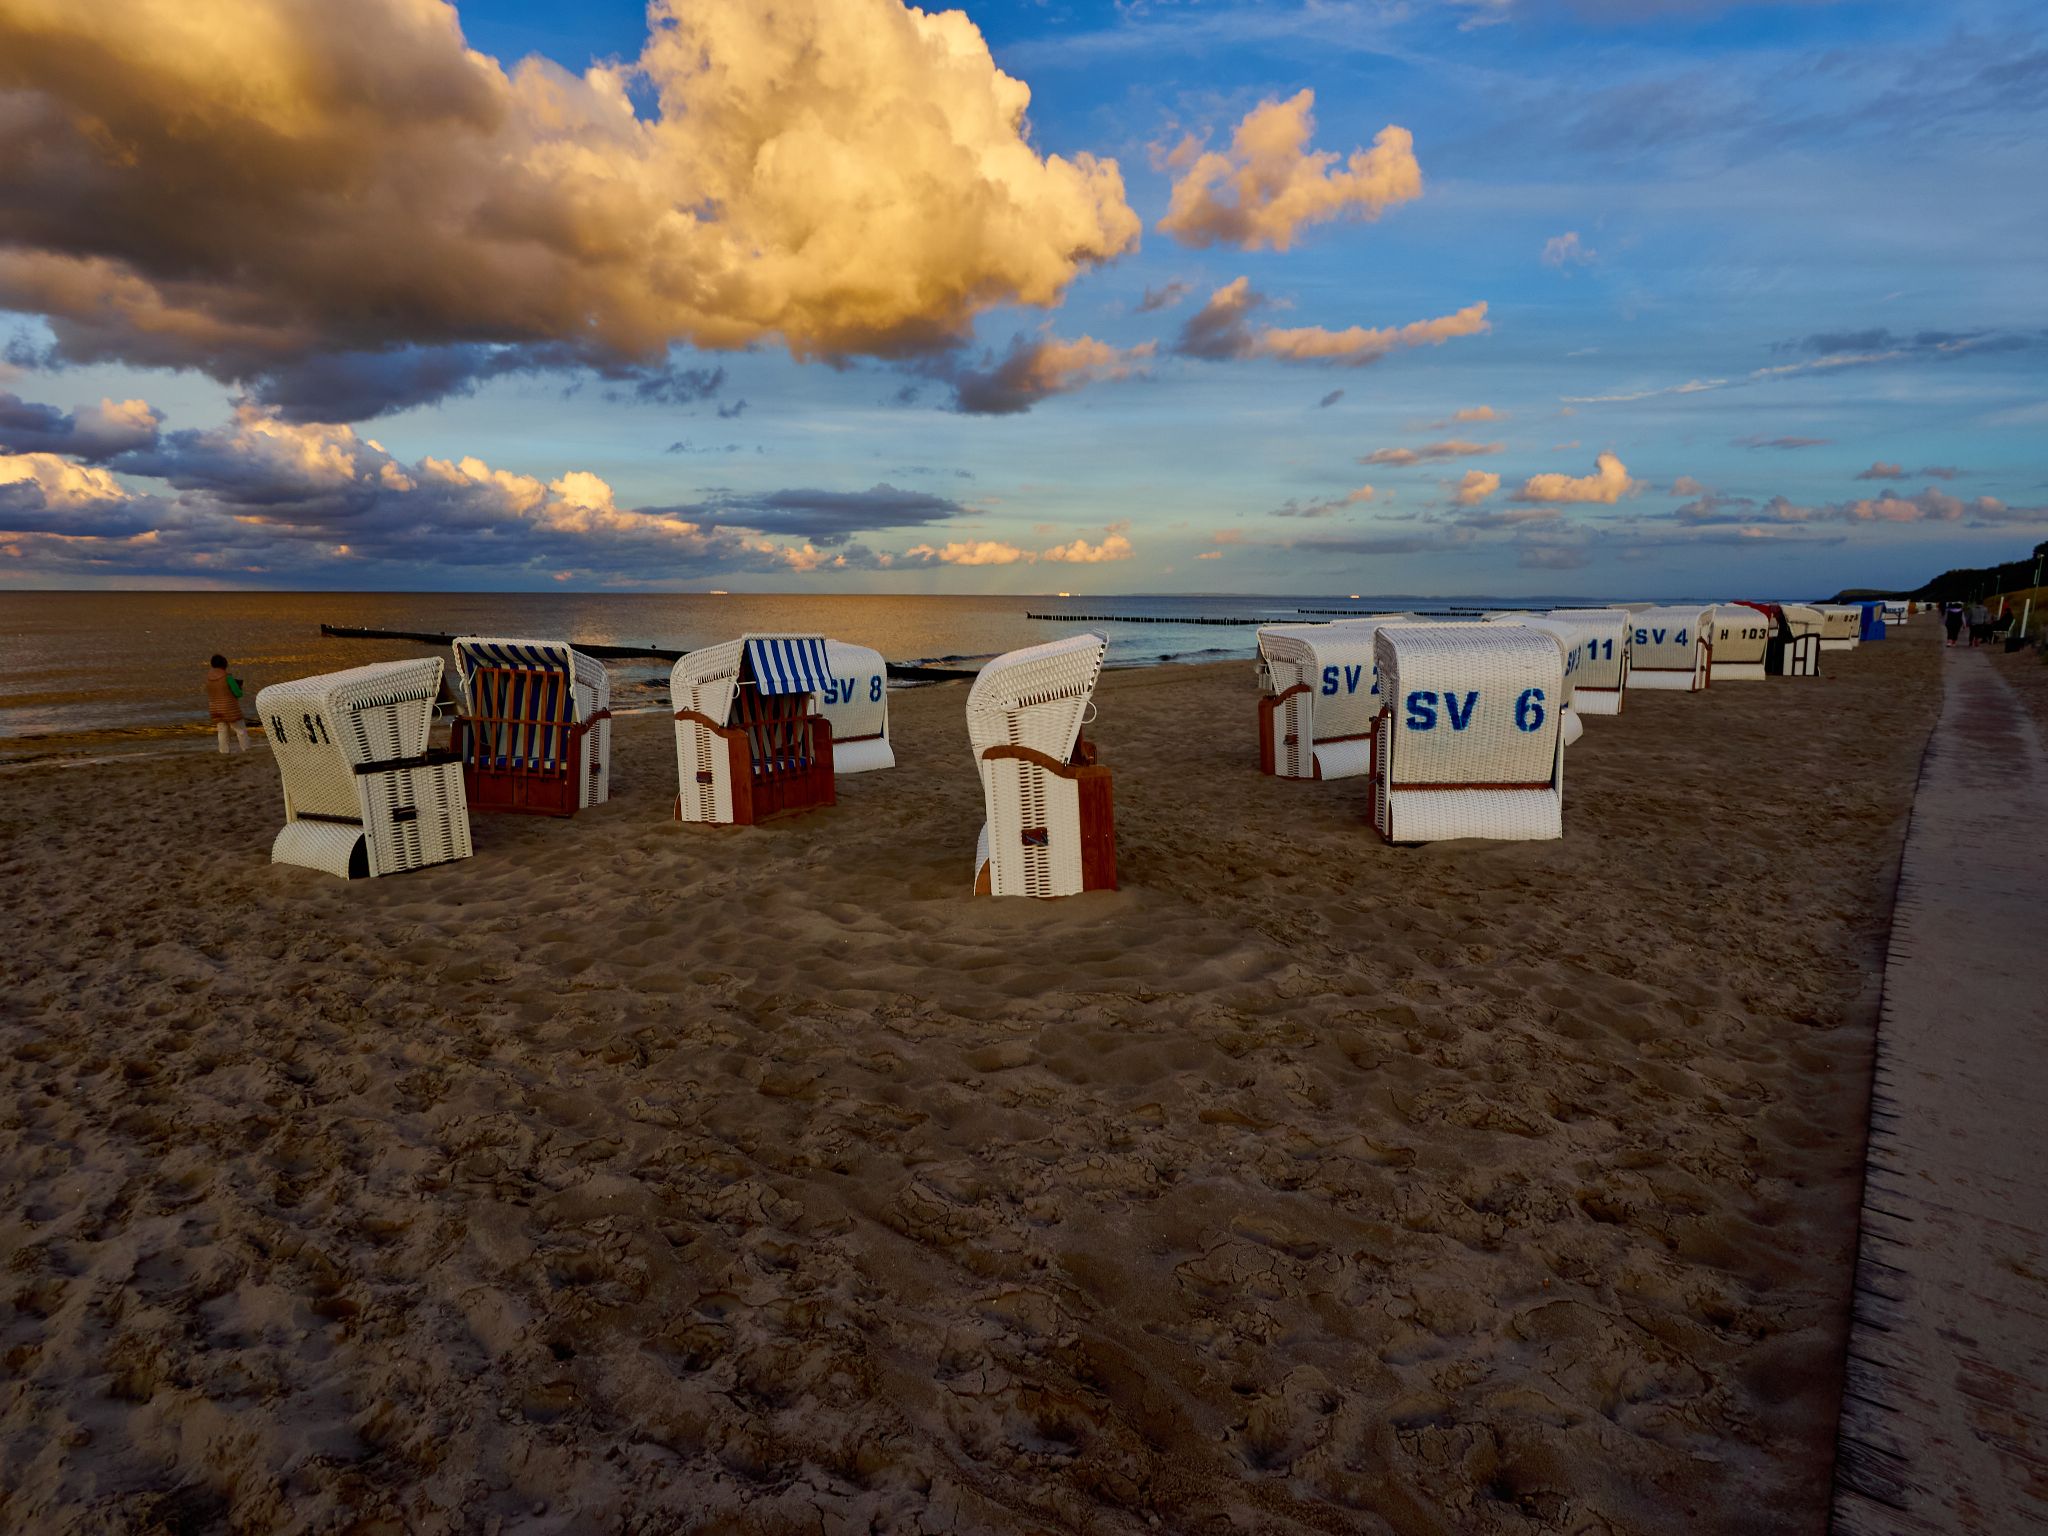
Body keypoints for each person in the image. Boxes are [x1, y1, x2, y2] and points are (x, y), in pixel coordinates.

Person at [206, 653, 251, 753]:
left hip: (215, 709)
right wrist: (239, 687)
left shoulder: (208, 679)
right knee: (240, 730)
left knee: (222, 732)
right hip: (230, 709)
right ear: (224, 664)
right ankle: (246, 750)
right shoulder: (228, 677)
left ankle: (224, 752)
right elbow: (238, 693)